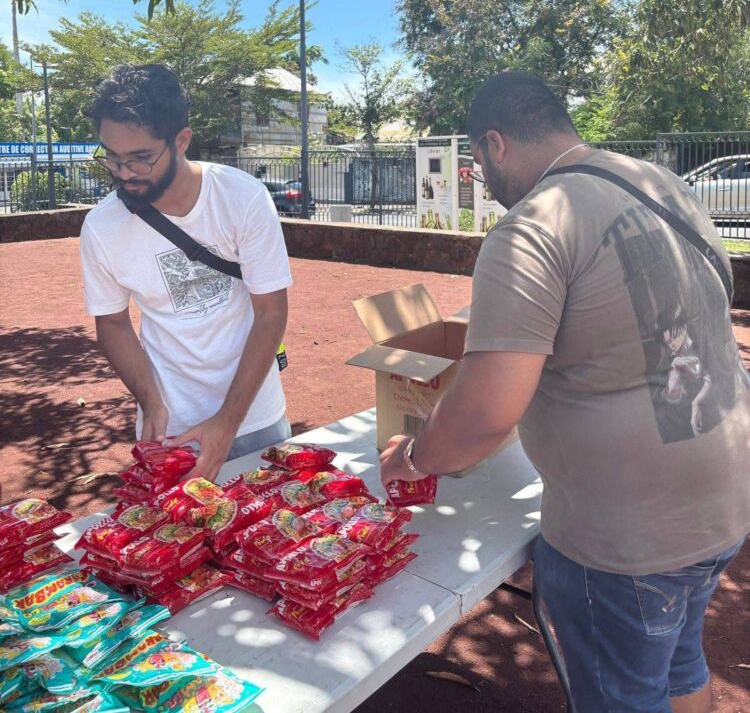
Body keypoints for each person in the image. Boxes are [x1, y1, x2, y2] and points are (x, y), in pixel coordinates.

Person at [380, 72, 750, 713]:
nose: (482, 180)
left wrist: (412, 458)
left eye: (477, 161)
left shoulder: (533, 226)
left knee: (622, 696)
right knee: (678, 662)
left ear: (495, 144)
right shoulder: (662, 184)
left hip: (627, 537)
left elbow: (485, 415)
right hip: (723, 492)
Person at [80, 64, 293, 480]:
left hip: (256, 418)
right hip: (170, 431)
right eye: (112, 157)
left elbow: (271, 312)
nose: (124, 173)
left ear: (181, 140)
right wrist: (150, 401)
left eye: (141, 158)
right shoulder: (102, 227)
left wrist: (227, 420)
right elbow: (113, 323)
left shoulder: (241, 197)